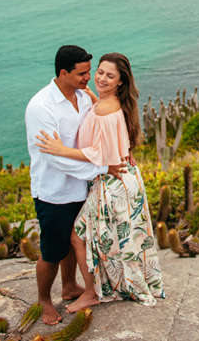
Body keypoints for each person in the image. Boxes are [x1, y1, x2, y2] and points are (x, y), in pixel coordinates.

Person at [36, 52, 165, 313]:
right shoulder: (111, 102)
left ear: (121, 81)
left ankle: (92, 293)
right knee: (116, 237)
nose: (101, 78)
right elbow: (102, 121)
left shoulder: (105, 109)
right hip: (123, 177)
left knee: (77, 236)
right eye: (100, 72)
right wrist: (94, 96)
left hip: (111, 181)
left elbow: (98, 153)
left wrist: (62, 150)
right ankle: (97, 285)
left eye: (110, 75)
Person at [26, 45, 125, 325]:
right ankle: (44, 300)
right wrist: (103, 167)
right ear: (63, 73)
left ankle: (69, 286)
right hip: (54, 191)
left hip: (82, 187)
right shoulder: (40, 107)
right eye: (82, 73)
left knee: (75, 240)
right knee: (52, 250)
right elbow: (56, 160)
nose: (88, 78)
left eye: (89, 72)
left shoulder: (82, 97)